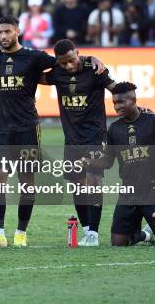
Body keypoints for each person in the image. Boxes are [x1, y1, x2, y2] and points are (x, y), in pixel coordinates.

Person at [0, 16, 105, 248]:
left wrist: (91, 58)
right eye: (0, 32)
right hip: (0, 129)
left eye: (7, 31)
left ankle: (20, 233)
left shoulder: (34, 57)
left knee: (26, 183)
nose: (3, 36)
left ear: (18, 31)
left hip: (28, 128)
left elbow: (66, 59)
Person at [84, 82, 155, 247]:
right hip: (128, 193)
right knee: (118, 243)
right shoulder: (114, 129)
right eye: (114, 103)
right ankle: (147, 234)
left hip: (153, 191)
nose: (117, 107)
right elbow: (108, 161)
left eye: (121, 102)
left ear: (133, 100)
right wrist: (89, 162)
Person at [40, 39, 116, 246]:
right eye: (63, 63)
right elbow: (33, 76)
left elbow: (116, 89)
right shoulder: (57, 73)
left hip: (95, 136)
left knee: (93, 180)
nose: (69, 66)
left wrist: (136, 109)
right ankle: (85, 230)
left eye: (72, 60)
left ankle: (93, 233)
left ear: (78, 53)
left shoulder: (95, 70)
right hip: (72, 139)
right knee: (77, 185)